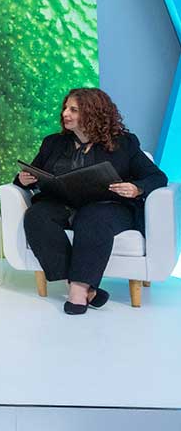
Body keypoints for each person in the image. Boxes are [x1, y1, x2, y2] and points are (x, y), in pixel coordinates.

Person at [16, 87, 166, 315]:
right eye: (66, 108)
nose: (65, 113)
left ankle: (78, 291)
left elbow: (157, 177)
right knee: (36, 216)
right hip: (62, 203)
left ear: (92, 112)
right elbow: (33, 174)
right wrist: (24, 180)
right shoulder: (52, 143)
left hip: (108, 208)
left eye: (73, 109)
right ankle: (85, 288)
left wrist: (136, 188)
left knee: (91, 218)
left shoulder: (124, 143)